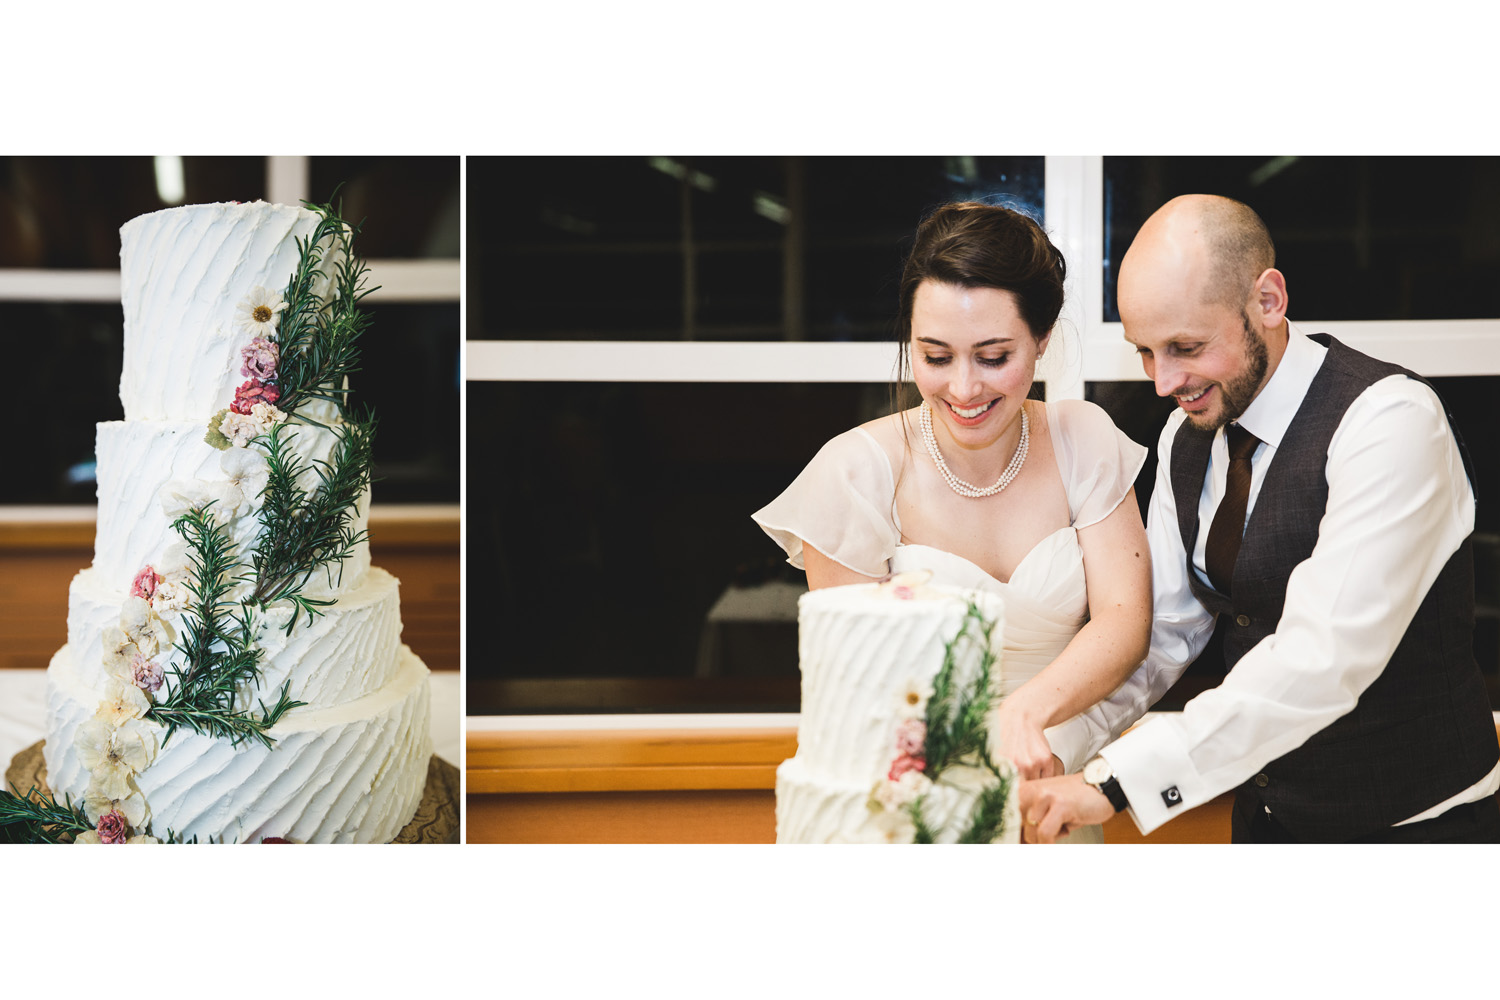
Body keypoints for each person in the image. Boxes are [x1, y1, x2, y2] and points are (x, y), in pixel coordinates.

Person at [1019, 194, 1500, 844]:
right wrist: (1053, 745)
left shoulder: (1389, 423)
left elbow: (1323, 657)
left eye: (1186, 346)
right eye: (1145, 351)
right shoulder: (1184, 439)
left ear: (1268, 301)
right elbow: (1162, 634)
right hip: (1266, 818)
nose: (1163, 381)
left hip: (1418, 824)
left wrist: (1116, 782)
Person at [753, 202, 1153, 841]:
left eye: (993, 356)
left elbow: (1125, 620)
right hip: (915, 813)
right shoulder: (855, 474)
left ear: (1042, 341)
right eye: (936, 357)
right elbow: (864, 688)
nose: (963, 388)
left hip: (1053, 789)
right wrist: (978, 768)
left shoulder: (1085, 439)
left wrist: (1029, 720)